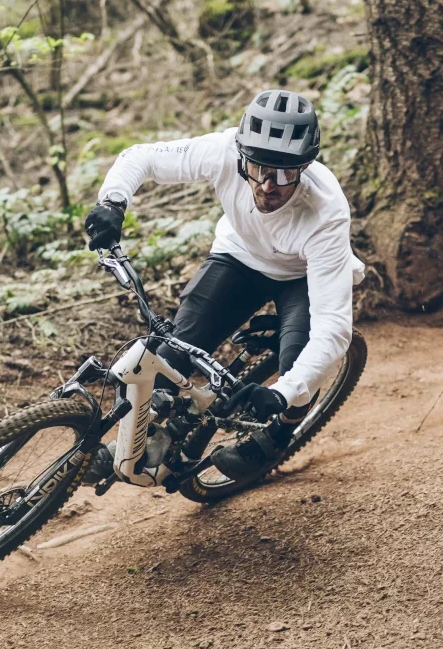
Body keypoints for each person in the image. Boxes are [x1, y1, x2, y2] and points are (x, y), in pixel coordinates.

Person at [83, 89, 364, 481]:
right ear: (242, 155)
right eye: (258, 168)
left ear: (304, 167)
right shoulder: (224, 151)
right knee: (176, 349)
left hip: (301, 276)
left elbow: (334, 329)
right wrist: (112, 203)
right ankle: (148, 436)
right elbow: (141, 157)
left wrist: (284, 394)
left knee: (298, 366)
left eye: (284, 174)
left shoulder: (326, 211)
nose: (268, 185)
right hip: (240, 256)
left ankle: (281, 433)